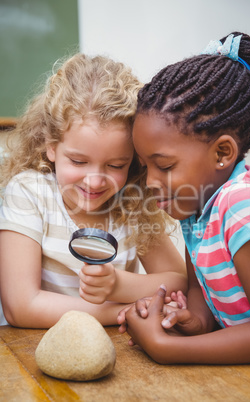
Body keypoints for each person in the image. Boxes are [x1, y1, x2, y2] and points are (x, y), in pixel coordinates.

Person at [0, 54, 187, 328]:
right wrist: (122, 311)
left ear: (134, 160)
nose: (95, 182)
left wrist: (118, 285)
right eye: (78, 161)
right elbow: (21, 307)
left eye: (115, 165)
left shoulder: (133, 203)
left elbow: (180, 282)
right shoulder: (29, 193)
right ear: (51, 145)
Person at [122, 32, 250, 364]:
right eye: (145, 167)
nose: (151, 182)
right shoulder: (196, 212)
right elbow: (203, 305)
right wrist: (183, 321)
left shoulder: (242, 208)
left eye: (164, 166)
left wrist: (166, 347)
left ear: (222, 153)